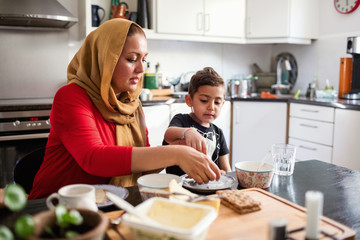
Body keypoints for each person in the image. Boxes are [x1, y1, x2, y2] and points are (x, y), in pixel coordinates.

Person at [28, 19, 220, 200]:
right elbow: (93, 158)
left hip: (110, 203)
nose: (141, 69)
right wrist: (176, 154)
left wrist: (175, 149)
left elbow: (141, 169)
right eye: (131, 59)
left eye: (143, 59)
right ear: (104, 58)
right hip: (55, 206)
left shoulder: (131, 104)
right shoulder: (71, 96)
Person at [163, 67, 231, 176]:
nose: (211, 107)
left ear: (222, 104)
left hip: (209, 189)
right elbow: (168, 134)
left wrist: (224, 175)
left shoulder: (218, 133)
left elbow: (227, 171)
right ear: (189, 100)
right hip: (179, 187)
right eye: (204, 100)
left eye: (217, 102)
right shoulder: (181, 120)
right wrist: (188, 132)